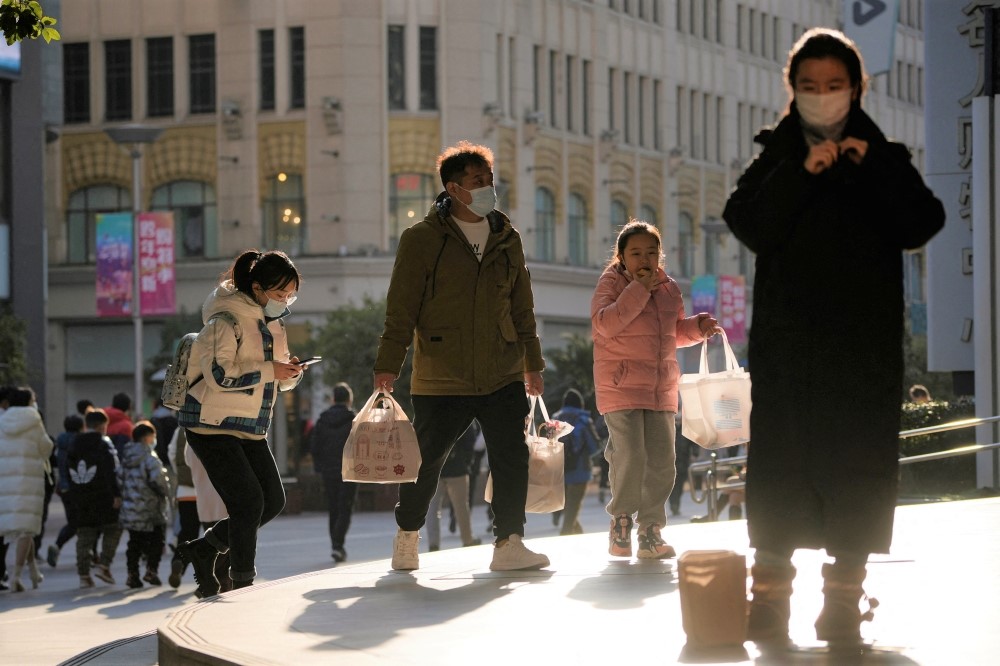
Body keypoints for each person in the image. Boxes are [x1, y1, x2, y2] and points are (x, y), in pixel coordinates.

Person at [722, 28, 945, 647]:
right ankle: (767, 600)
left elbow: (922, 221)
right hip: (790, 348)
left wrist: (868, 169)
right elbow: (747, 222)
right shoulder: (777, 155)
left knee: (857, 469)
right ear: (792, 89)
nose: (822, 97)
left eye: (834, 86)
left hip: (861, 351)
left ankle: (842, 601)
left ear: (856, 88)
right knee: (782, 467)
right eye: (809, 86)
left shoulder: (883, 154)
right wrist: (800, 172)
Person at [374, 140, 550, 573]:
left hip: (502, 366)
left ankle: (509, 541)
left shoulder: (507, 238)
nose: (487, 187)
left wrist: (533, 363)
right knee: (426, 461)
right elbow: (401, 308)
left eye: (489, 179)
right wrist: (387, 365)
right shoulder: (421, 239)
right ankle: (408, 534)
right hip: (442, 371)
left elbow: (523, 307)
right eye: (477, 181)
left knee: (511, 456)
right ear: (454, 188)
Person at [175, 249, 309, 597]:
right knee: (248, 502)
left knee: (273, 501)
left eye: (290, 295)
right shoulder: (225, 320)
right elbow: (220, 375)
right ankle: (243, 584)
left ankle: (205, 548)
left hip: (250, 424)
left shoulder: (274, 323)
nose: (284, 301)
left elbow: (277, 377)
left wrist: (290, 373)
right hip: (211, 422)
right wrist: (271, 371)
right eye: (279, 294)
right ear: (257, 287)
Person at [592, 220, 721, 560]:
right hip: (621, 386)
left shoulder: (669, 288)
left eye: (652, 252)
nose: (645, 259)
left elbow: (672, 333)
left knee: (663, 461)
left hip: (661, 387)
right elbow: (605, 325)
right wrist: (639, 289)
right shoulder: (611, 282)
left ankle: (651, 529)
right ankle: (621, 522)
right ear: (621, 256)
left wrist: (696, 328)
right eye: (636, 253)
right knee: (630, 455)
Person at [0, 387, 54, 591]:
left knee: (23, 528)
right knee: (27, 528)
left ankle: (33, 571)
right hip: (28, 478)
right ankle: (15, 576)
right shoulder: (34, 419)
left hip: (5, 479)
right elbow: (46, 447)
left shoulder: (2, 420)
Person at [65, 408, 123, 588]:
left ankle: (83, 575)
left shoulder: (73, 443)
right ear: (101, 426)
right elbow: (110, 471)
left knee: (84, 533)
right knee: (113, 528)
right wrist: (116, 494)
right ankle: (104, 565)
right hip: (103, 494)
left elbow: (68, 469)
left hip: (80, 494)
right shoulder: (104, 443)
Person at [308, 382, 359, 563]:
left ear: (333, 399)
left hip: (328, 470)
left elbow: (314, 446)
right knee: (345, 507)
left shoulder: (322, 420)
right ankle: (338, 545)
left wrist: (319, 466)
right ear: (349, 399)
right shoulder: (354, 421)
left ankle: (335, 545)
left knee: (333, 507)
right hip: (349, 470)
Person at [117, 421, 170, 588]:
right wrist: (166, 492)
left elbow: (119, 479)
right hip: (151, 508)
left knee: (134, 543)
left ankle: (132, 575)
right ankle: (151, 571)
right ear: (147, 437)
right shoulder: (150, 458)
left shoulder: (126, 457)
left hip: (131, 508)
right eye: (153, 436)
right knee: (157, 541)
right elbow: (159, 481)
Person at [424, 421, 482, 551]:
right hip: (458, 469)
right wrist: (466, 462)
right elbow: (470, 442)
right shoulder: (462, 414)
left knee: (433, 508)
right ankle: (467, 539)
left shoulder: (432, 415)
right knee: (461, 507)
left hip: (434, 469)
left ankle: (433, 543)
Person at [552, 389, 600, 536]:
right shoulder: (583, 420)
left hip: (558, 469)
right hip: (581, 468)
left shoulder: (554, 420)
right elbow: (594, 447)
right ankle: (566, 532)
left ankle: (577, 531)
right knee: (574, 503)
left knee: (568, 504)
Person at [47, 414, 84, 568]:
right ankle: (84, 554)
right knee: (81, 522)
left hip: (63, 487)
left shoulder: (59, 443)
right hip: (78, 486)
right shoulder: (80, 443)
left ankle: (58, 546)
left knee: (73, 521)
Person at [166, 426, 201, 588]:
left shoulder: (179, 430)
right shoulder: (213, 422)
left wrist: (181, 475)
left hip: (185, 491)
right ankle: (208, 577)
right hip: (208, 491)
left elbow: (172, 453)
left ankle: (178, 561)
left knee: (187, 532)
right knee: (214, 532)